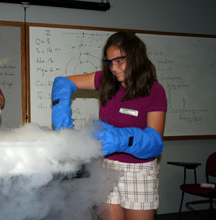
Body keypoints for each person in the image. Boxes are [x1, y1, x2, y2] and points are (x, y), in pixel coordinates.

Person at [51, 32, 167, 220]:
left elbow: (154, 142)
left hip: (139, 172)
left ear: (136, 57)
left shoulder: (154, 91)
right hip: (106, 166)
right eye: (110, 62)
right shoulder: (106, 82)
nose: (114, 68)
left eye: (119, 61)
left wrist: (121, 139)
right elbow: (64, 82)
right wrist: (60, 112)